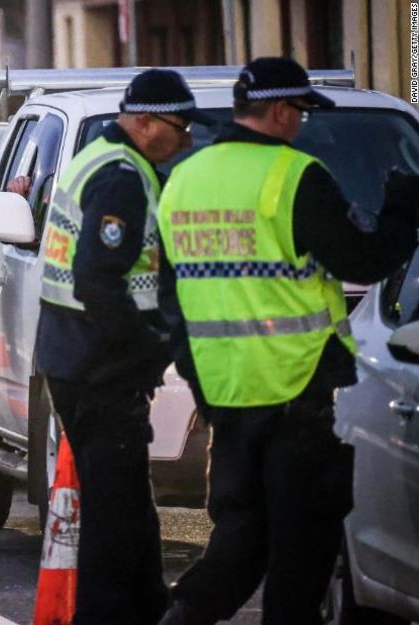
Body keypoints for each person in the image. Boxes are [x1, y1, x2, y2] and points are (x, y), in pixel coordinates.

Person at [156, 57, 419, 625]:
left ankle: (183, 617)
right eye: (299, 111)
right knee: (303, 547)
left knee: (243, 533)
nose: (300, 123)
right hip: (294, 393)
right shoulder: (295, 176)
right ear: (278, 111)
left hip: (224, 394)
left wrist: (199, 375)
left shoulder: (185, 177)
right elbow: (364, 259)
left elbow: (168, 296)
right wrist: (403, 207)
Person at [34, 69, 212, 625]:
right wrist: (143, 350)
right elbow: (96, 281)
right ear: (143, 121)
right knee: (114, 514)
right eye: (178, 129)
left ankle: (145, 606)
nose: (184, 141)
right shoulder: (120, 177)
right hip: (99, 365)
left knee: (130, 504)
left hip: (79, 356)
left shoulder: (109, 160)